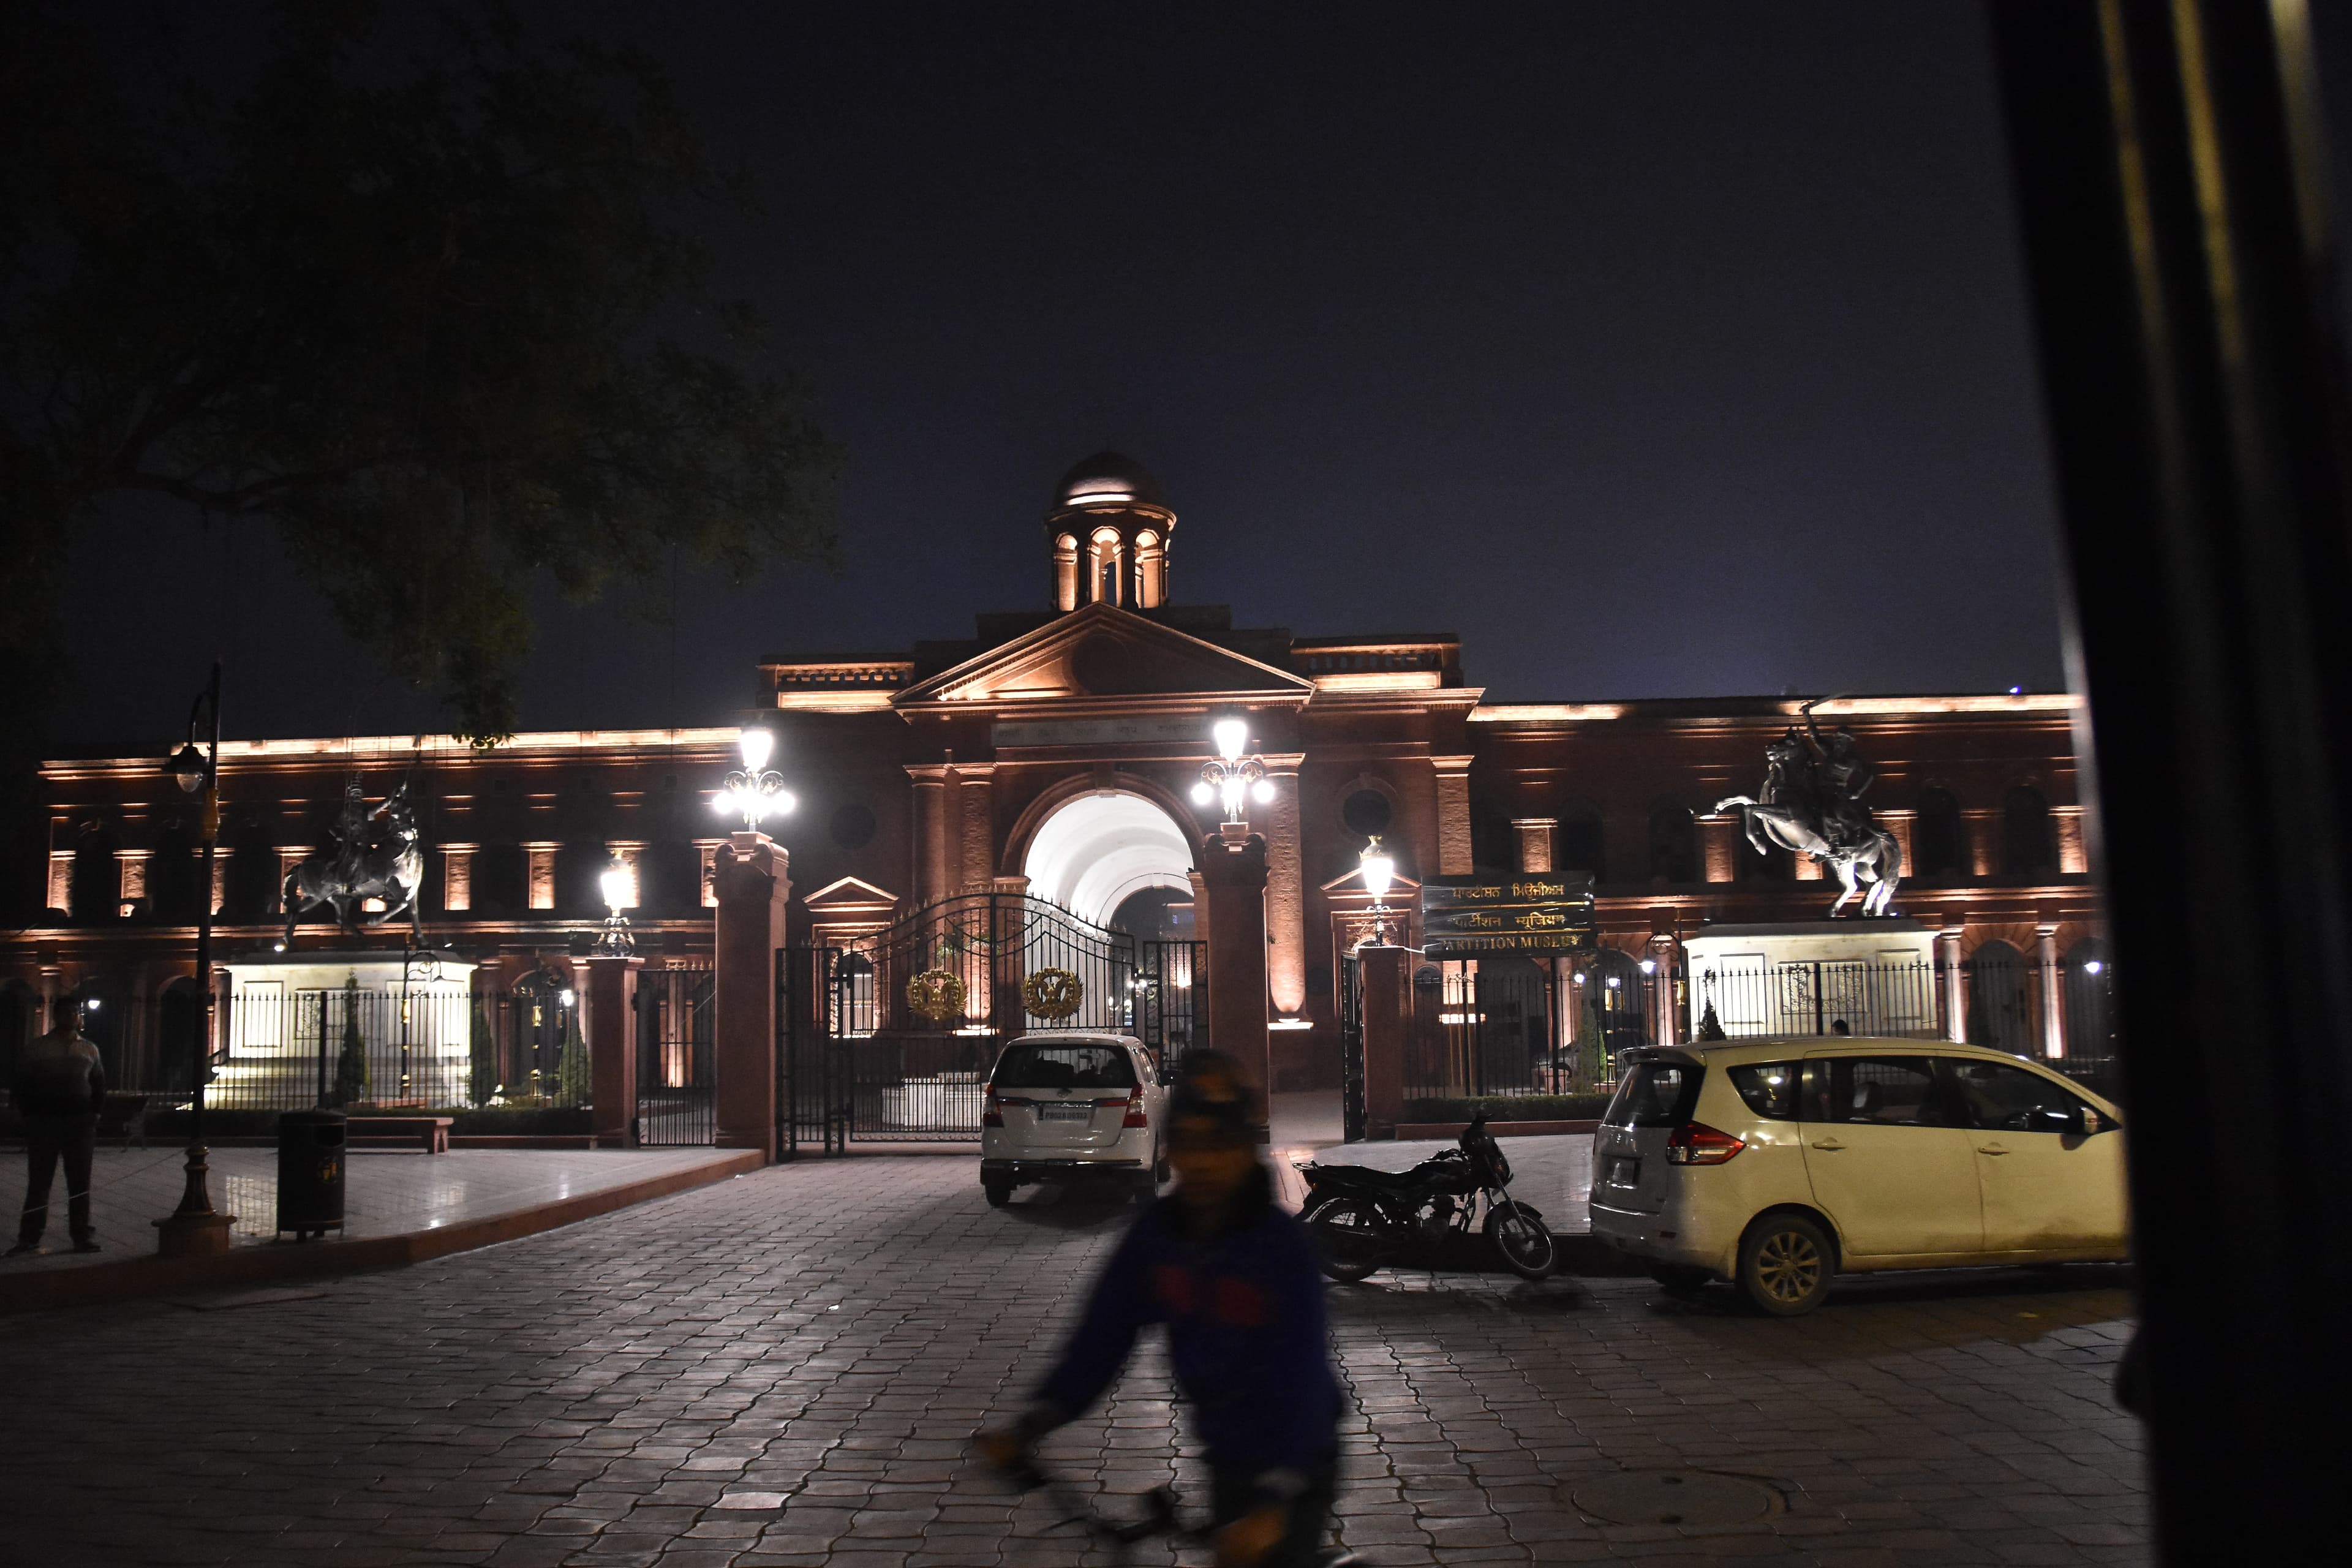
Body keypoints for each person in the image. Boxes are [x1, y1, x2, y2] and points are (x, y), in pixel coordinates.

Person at [976, 1052, 1343, 1567]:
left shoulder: (1280, 1249)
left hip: (1296, 1462)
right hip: (1225, 1454)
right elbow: (1101, 1339)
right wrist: (1035, 1422)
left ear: (1246, 1150)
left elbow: (1301, 1378)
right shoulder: (1158, 1238)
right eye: (1190, 1144)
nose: (1205, 1163)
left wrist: (1276, 1502)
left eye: (1221, 1145)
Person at [9, 1002, 108, 1257]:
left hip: (79, 1123)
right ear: (57, 1017)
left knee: (80, 1183)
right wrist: (30, 1115)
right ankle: (29, 1236)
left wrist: (94, 1114)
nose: (72, 1017)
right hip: (45, 1122)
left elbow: (99, 1084)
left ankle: (81, 1235)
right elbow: (21, 1083)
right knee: (40, 1182)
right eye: (67, 1013)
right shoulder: (39, 1048)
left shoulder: (89, 1049)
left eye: (75, 1013)